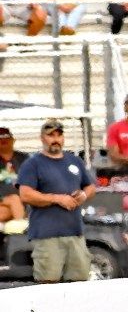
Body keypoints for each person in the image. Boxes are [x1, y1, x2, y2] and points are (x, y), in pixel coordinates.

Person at [15, 120, 95, 283]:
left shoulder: (74, 161)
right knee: (48, 283)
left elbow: (91, 186)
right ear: (42, 138)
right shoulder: (33, 164)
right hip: (47, 235)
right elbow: (25, 194)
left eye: (59, 134)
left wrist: (83, 195)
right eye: (50, 135)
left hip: (75, 233)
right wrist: (57, 199)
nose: (55, 139)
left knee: (80, 281)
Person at [0, 127, 29, 225]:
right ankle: (23, 235)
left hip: (22, 203)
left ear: (13, 140)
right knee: (14, 199)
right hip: (4, 200)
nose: (3, 140)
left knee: (5, 212)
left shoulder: (25, 159)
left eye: (6, 137)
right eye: (0, 138)